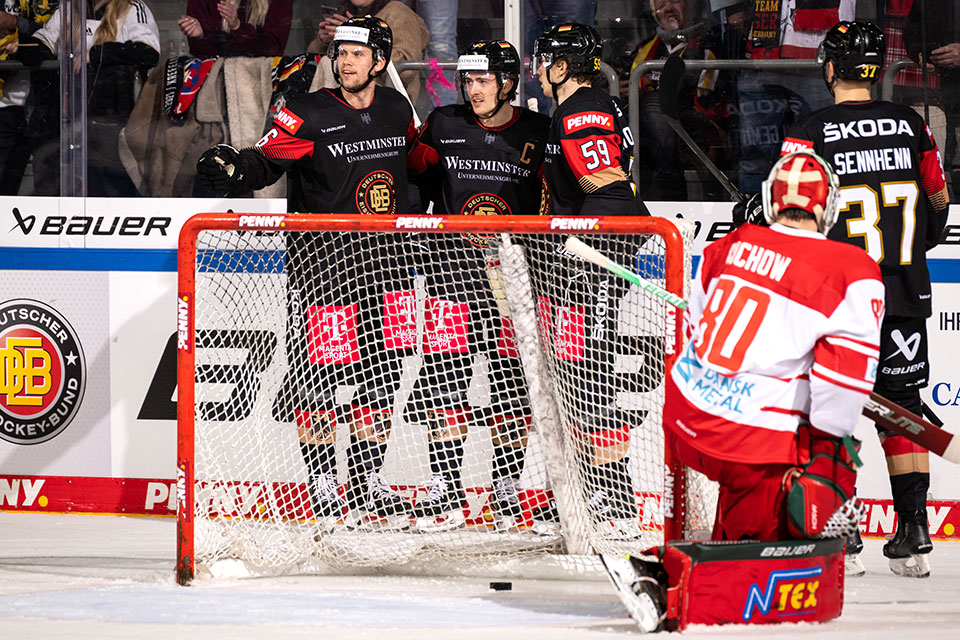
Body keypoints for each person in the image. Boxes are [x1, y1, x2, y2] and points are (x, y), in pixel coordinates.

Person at [196, 16, 420, 532]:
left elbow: (419, 165)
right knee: (320, 383)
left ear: (380, 61)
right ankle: (322, 486)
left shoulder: (393, 110)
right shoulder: (306, 112)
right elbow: (266, 162)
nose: (344, 62)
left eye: (357, 54)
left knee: (380, 386)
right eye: (340, 53)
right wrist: (235, 168)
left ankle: (364, 491)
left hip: (388, 269)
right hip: (324, 270)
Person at [780, 20, 950, 578]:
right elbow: (937, 199)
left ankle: (839, 528)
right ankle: (914, 529)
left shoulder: (810, 129)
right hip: (901, 290)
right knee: (900, 408)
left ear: (829, 68)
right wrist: (913, 249)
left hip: (838, 297)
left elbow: (791, 211)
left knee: (827, 405)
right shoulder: (911, 124)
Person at [664, 149, 884, 544]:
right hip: (753, 440)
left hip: (686, 421)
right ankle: (707, 582)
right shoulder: (850, 268)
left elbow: (694, 331)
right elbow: (841, 388)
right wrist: (828, 450)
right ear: (830, 207)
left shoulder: (726, 246)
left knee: (739, 484)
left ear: (770, 200)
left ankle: (720, 544)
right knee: (831, 460)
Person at [406, 40, 550, 532]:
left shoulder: (537, 131)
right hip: (451, 272)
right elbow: (415, 178)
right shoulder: (443, 123)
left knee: (513, 388)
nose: (474, 90)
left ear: (509, 83)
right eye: (468, 81)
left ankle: (507, 493)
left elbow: (553, 197)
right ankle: (446, 491)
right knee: (443, 384)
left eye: (484, 80)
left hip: (515, 277)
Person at [532, 22, 644, 536]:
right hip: (589, 245)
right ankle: (601, 489)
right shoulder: (577, 105)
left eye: (544, 59)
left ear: (561, 66)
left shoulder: (583, 107)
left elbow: (608, 183)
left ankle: (615, 498)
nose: (537, 68)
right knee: (581, 371)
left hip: (597, 245)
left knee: (591, 374)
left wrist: (592, 243)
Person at [20, 0, 160, 196]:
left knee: (112, 191)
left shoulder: (133, 7)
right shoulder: (69, 8)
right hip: (67, 120)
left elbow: (148, 51)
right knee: (55, 186)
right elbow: (44, 42)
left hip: (114, 121)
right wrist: (21, 49)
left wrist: (94, 55)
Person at [628, 0, 733, 200]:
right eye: (661, 3)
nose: (668, 8)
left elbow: (709, 102)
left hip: (698, 127)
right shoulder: (644, 49)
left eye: (675, 1)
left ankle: (671, 195)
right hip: (654, 135)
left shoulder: (710, 44)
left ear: (693, 6)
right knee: (650, 107)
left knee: (654, 105)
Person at [307, 0, 428, 106]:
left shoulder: (397, 12)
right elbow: (311, 62)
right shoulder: (346, 11)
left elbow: (406, 71)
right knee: (328, 62)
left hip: (382, 100)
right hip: (339, 100)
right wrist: (323, 41)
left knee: (330, 63)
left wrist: (360, 36)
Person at [0, 0, 57, 195]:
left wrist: (16, 22)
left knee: (49, 189)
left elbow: (59, 32)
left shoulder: (63, 6)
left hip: (46, 105)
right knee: (5, 187)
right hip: (5, 103)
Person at [177, 0, 292, 58]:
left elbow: (274, 48)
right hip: (214, 83)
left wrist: (238, 27)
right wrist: (200, 36)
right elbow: (203, 54)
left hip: (261, 80)